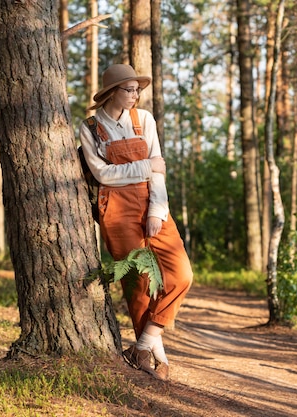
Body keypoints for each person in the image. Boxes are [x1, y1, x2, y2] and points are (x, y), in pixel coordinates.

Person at [79, 64, 193, 381]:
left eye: (137, 89)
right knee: (137, 284)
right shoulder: (89, 128)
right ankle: (152, 355)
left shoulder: (144, 120)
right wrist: (147, 166)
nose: (135, 95)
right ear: (111, 92)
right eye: (129, 89)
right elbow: (103, 175)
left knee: (181, 274)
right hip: (114, 207)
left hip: (150, 202)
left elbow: (159, 172)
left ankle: (141, 345)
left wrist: (157, 210)